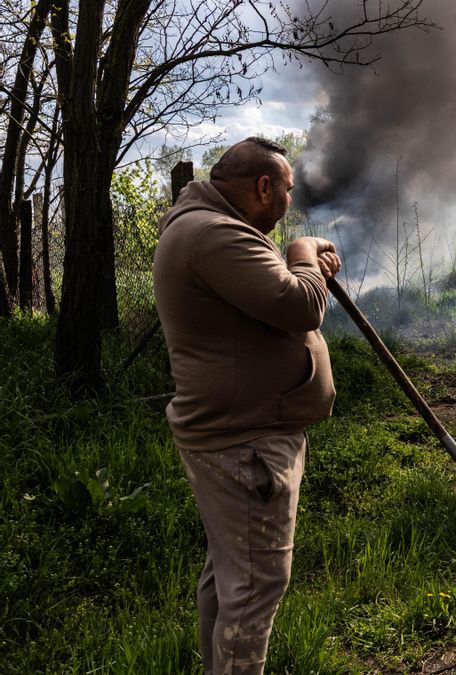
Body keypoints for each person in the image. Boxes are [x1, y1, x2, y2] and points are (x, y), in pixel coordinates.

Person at [153, 137, 341, 675]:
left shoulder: (209, 229)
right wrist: (302, 253)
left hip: (239, 436)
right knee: (255, 586)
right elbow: (298, 304)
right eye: (287, 188)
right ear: (263, 187)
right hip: (245, 446)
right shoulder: (215, 235)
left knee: (233, 577)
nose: (289, 199)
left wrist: (300, 264)